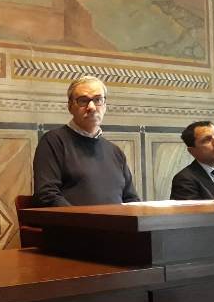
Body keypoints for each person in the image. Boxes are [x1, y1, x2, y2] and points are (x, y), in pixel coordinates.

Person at [33, 75, 140, 206]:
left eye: (98, 99)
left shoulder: (115, 152)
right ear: (70, 106)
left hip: (117, 220)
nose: (91, 107)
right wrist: (84, 217)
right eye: (83, 101)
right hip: (73, 220)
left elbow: (131, 200)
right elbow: (47, 195)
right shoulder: (53, 142)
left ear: (105, 105)